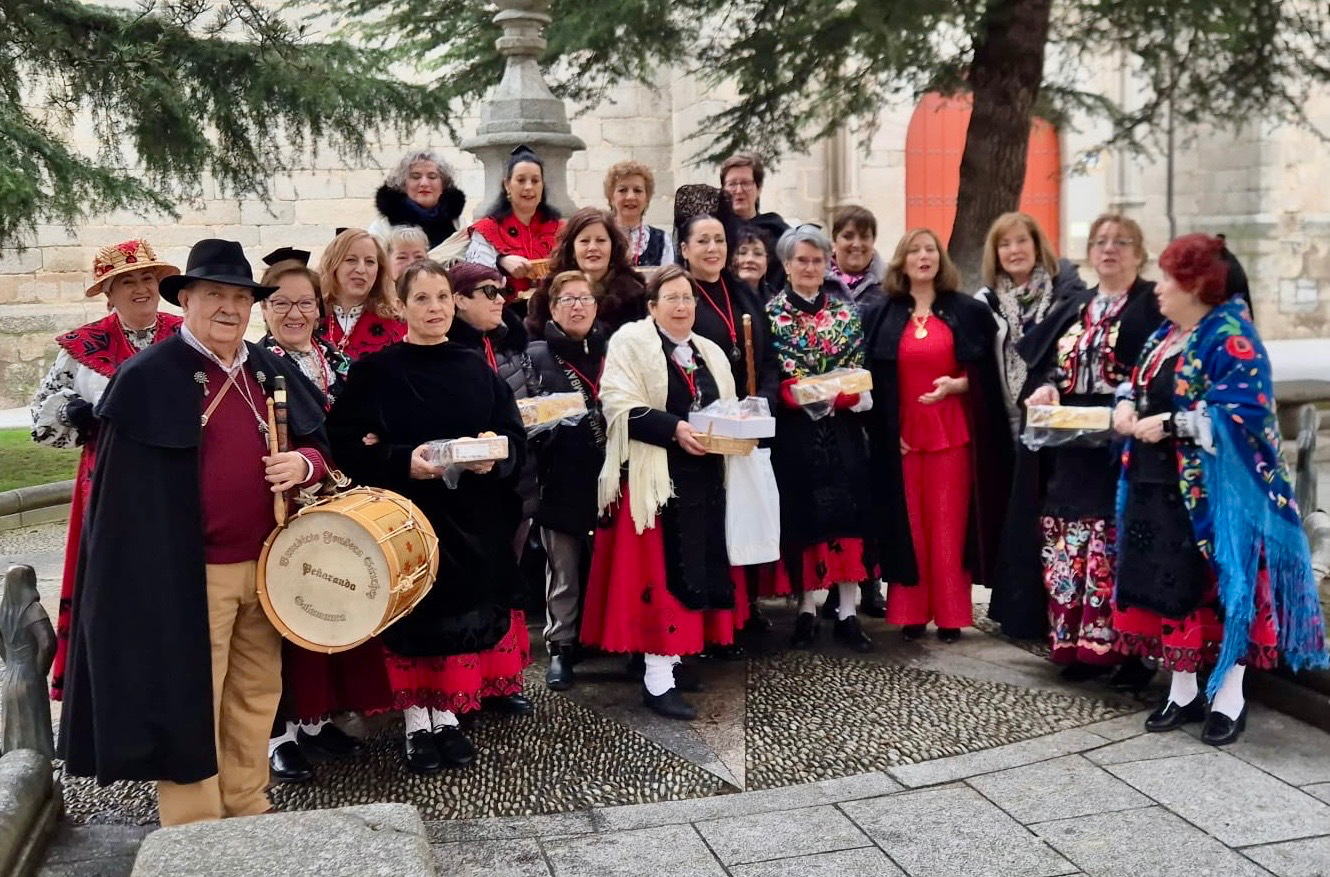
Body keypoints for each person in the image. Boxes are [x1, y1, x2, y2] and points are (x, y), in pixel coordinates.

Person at [58, 239, 331, 825]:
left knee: (256, 697)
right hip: (187, 576)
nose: (229, 308)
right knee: (190, 703)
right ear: (186, 301)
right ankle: (194, 829)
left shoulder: (268, 366)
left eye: (239, 296)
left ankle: (246, 807)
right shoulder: (146, 378)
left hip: (265, 567)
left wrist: (304, 464)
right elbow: (125, 505)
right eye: (214, 296)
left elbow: (320, 443)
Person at [1112, 234, 1327, 744]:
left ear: (1196, 285)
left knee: (1223, 590)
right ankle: (1182, 688)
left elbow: (1243, 415)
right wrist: (1124, 406)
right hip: (1158, 487)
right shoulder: (1166, 334)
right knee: (1172, 587)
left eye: (1168, 279)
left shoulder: (1232, 336)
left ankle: (1230, 694)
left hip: (1216, 498)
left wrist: (1172, 424)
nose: (1158, 289)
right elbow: (1135, 382)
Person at [327, 260, 530, 774]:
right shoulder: (377, 372)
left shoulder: (474, 367)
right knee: (414, 620)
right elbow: (343, 441)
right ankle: (419, 722)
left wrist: (495, 453)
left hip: (470, 518)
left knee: (457, 619)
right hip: (405, 519)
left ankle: (449, 716)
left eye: (442, 297)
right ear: (402, 307)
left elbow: (513, 438)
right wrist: (399, 461)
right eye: (422, 299)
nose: (435, 308)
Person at [580, 265, 739, 720]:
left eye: (689, 297)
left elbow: (725, 406)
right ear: (652, 306)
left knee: (693, 572)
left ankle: (674, 659)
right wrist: (674, 429)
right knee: (661, 581)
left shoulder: (709, 350)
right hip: (655, 481)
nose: (683, 305)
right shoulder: (631, 342)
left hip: (703, 479)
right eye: (672, 297)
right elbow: (616, 404)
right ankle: (656, 677)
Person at [256, 255, 389, 783]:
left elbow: (356, 423)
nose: (294, 313)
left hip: (335, 501)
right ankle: (278, 735)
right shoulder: (254, 365)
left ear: (319, 307)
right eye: (281, 303)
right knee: (283, 617)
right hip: (279, 507)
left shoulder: (335, 359)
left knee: (326, 608)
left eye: (305, 303)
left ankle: (313, 722)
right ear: (264, 309)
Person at [1013, 215, 1162, 686]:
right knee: (1069, 544)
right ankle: (1079, 646)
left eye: (1122, 242)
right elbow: (1050, 366)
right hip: (1072, 443)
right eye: (1100, 242)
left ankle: (1131, 652)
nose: (1109, 250)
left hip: (1125, 445)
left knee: (1116, 546)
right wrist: (1047, 390)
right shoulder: (1076, 304)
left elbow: (1160, 371)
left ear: (1140, 253)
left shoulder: (1153, 305)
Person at [31, 239, 181, 702]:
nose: (141, 289)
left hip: (178, 478)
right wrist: (73, 412)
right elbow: (41, 417)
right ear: (108, 294)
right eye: (127, 282)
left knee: (177, 582)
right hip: (108, 483)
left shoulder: (187, 333)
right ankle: (115, 693)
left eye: (148, 279)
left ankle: (177, 688)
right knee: (113, 585)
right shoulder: (83, 347)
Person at [864, 229, 1012, 643]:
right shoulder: (882, 313)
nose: (924, 256)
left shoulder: (966, 311)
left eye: (930, 249)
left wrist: (957, 385)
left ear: (940, 259)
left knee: (948, 526)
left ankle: (951, 614)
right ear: (902, 261)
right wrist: (885, 432)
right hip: (903, 439)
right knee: (910, 527)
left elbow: (986, 376)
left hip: (952, 435)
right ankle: (910, 611)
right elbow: (870, 382)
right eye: (914, 250)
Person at [674, 184, 782, 641]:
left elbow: (769, 360)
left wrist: (765, 404)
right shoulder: (677, 296)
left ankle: (743, 610)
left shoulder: (745, 293)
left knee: (745, 515)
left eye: (720, 240)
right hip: (703, 429)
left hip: (746, 427)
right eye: (703, 241)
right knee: (709, 526)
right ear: (684, 248)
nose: (713, 249)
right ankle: (712, 626)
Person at [767, 226, 877, 651]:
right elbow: (773, 374)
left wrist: (842, 396)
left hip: (844, 427)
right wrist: (796, 396)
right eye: (801, 260)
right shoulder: (772, 314)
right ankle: (807, 609)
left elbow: (859, 372)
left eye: (817, 260)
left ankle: (848, 611)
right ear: (787, 265)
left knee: (849, 512)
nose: (810, 268)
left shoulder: (846, 314)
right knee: (804, 514)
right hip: (797, 432)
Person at [526, 271, 608, 690]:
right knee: (564, 570)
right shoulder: (537, 354)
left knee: (608, 565)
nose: (577, 306)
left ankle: (609, 640)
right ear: (553, 308)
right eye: (567, 299)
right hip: (560, 475)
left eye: (585, 298)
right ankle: (561, 647)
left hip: (610, 474)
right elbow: (524, 416)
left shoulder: (614, 349)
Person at [465, 145, 564, 302]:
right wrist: (501, 262)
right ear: (507, 185)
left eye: (535, 181)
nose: (528, 187)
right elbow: (474, 279)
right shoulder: (487, 229)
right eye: (521, 180)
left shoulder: (561, 229)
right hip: (503, 314)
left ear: (542, 186)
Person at [528, 207, 647, 335]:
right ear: (572, 249)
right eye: (584, 241)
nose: (593, 248)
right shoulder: (549, 293)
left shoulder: (635, 295)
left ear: (613, 246)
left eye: (601, 241)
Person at [318, 229, 405, 359]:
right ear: (333, 265)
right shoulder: (313, 318)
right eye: (351, 260)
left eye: (369, 262)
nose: (360, 269)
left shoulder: (397, 323)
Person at [368, 149, 466, 249]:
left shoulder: (461, 226)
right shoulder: (382, 228)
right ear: (403, 184)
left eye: (432, 177)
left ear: (443, 184)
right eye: (415, 177)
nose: (424, 183)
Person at [720, 153, 790, 289]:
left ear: (759, 188)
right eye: (732, 184)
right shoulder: (717, 230)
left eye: (745, 183)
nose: (738, 190)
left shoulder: (776, 229)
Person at [605, 160, 674, 268]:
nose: (631, 196)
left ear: (647, 198)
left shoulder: (662, 240)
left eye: (637, 190)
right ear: (611, 197)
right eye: (623, 190)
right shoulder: (602, 236)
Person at [825, 206, 886, 306]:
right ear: (835, 239)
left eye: (864, 237)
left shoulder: (891, 284)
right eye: (848, 237)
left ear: (873, 241)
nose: (857, 244)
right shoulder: (816, 280)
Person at [732, 225, 776, 301]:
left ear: (767, 262)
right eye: (742, 253)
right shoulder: (720, 297)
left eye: (758, 253)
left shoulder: (775, 300)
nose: (750, 259)